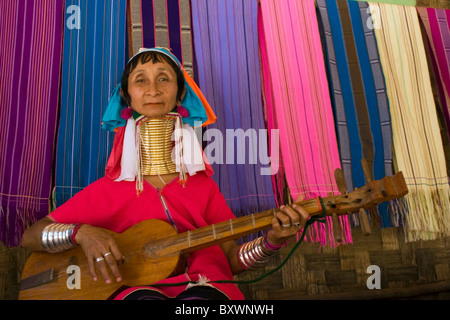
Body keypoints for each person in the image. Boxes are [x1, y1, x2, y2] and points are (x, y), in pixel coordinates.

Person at [21, 47, 310, 300]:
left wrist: (273, 239)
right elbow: (30, 236)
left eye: (163, 78)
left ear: (180, 93)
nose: (153, 89)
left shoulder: (203, 187)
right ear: (126, 96)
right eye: (140, 80)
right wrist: (81, 233)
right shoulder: (108, 189)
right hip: (134, 290)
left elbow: (232, 260)